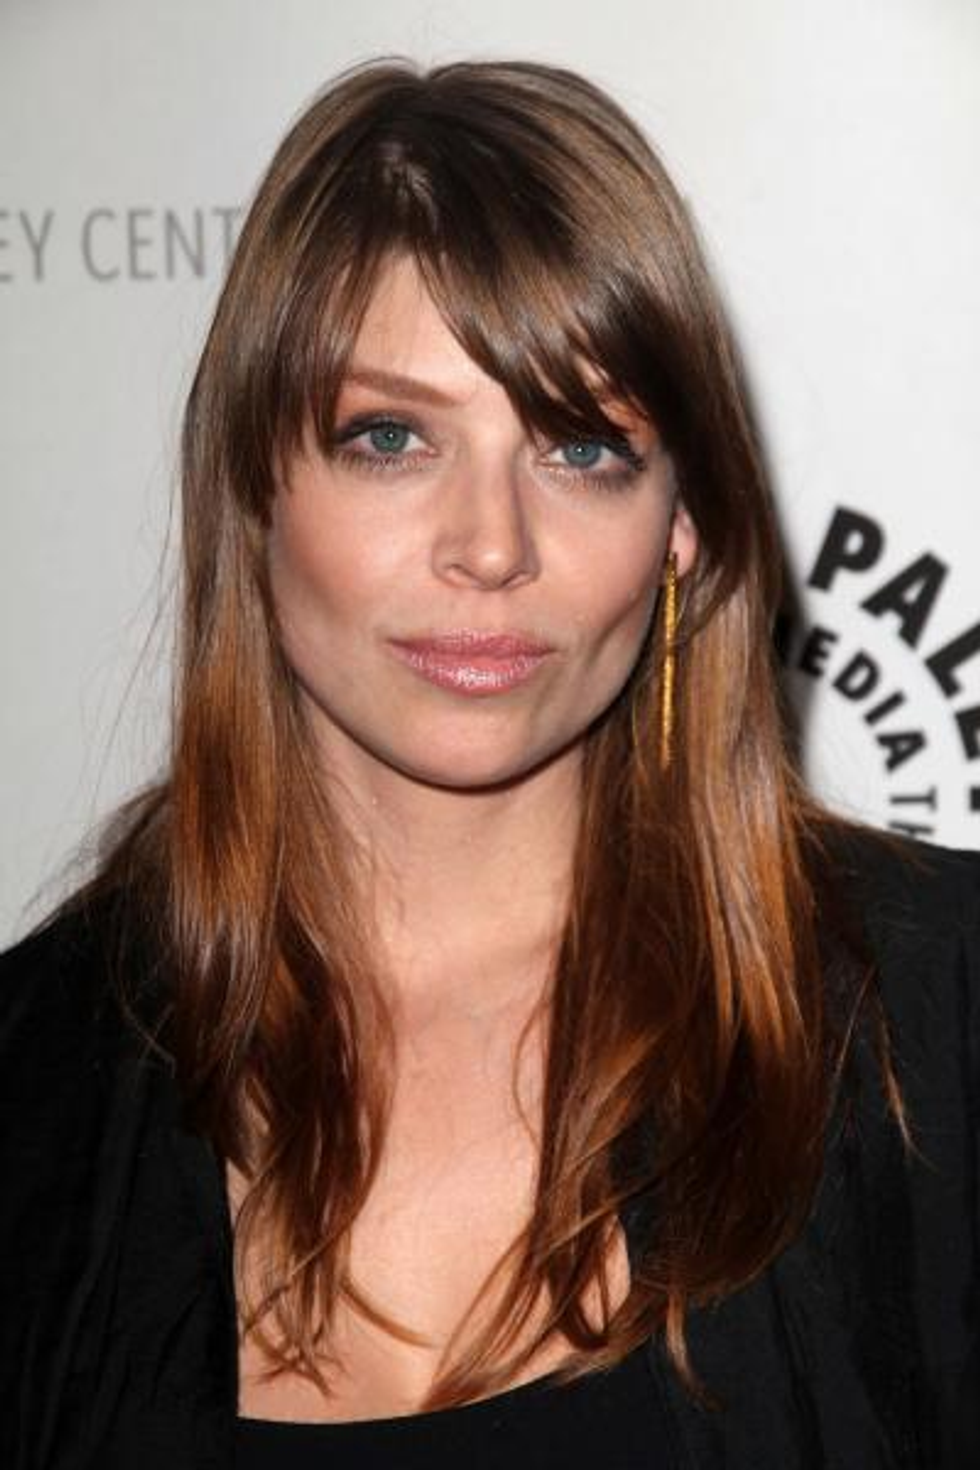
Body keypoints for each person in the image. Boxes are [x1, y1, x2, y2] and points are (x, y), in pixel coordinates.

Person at [1, 56, 977, 1469]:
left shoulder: (939, 1020)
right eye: (391, 437)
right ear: (254, 488)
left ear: (684, 522)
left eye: (581, 448)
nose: (492, 545)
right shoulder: (34, 1082)